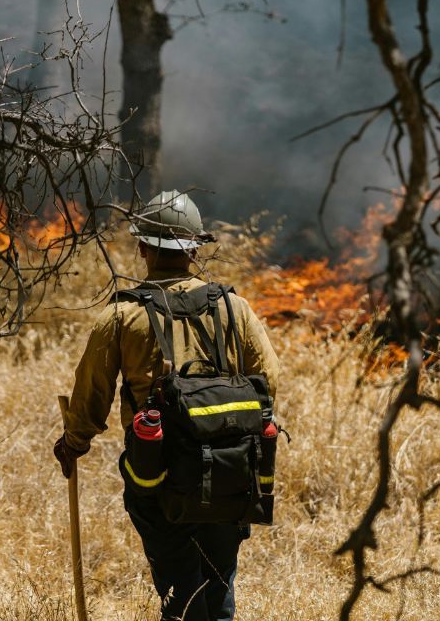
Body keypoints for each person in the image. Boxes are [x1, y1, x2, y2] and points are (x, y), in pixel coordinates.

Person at [53, 190, 281, 621]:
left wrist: (73, 442)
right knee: (218, 590)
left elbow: (92, 395)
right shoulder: (236, 309)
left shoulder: (122, 315)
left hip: (157, 474)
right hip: (230, 474)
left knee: (180, 593)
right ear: (195, 248)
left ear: (143, 249)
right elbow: (269, 381)